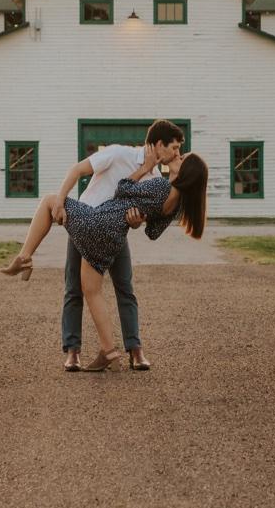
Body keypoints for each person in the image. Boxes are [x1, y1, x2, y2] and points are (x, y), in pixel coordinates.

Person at [1, 146, 208, 373]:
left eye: (182, 157)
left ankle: (25, 256)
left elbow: (122, 189)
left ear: (186, 172)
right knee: (91, 290)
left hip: (100, 221)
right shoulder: (176, 205)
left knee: (50, 201)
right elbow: (152, 232)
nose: (178, 155)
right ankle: (108, 350)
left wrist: (143, 170)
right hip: (114, 236)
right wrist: (138, 217)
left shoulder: (160, 185)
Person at [51, 120, 184, 372]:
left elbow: (140, 219)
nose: (176, 153)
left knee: (125, 288)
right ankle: (73, 352)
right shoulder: (118, 153)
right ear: (158, 144)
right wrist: (60, 201)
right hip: (84, 222)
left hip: (113, 235)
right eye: (174, 147)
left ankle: (135, 351)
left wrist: (135, 222)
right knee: (73, 288)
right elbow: (76, 170)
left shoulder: (156, 178)